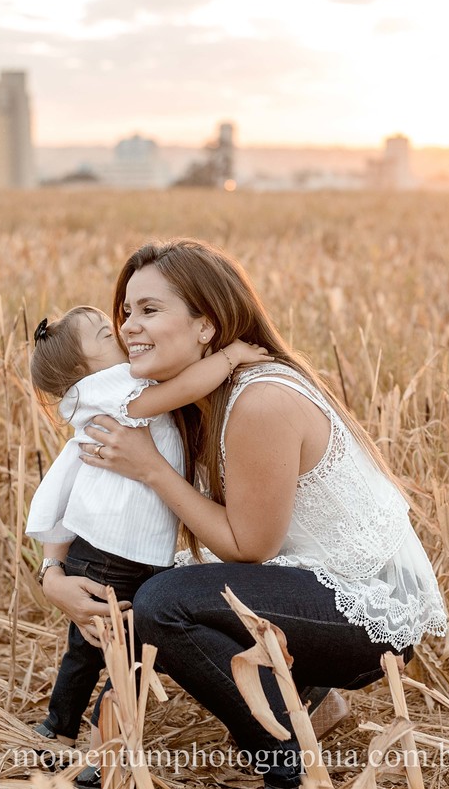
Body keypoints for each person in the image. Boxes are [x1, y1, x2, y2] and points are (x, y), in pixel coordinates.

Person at [41, 240, 448, 789]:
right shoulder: (185, 401)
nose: (129, 326)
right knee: (144, 597)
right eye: (126, 312)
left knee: (162, 603)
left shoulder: (259, 400)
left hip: (364, 612)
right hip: (300, 586)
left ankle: (287, 756)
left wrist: (153, 470)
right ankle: (114, 748)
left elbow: (248, 547)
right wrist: (55, 577)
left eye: (150, 310)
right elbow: (98, 517)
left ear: (206, 325)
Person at [24, 305, 271, 749]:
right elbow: (181, 389)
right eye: (104, 335)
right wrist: (229, 357)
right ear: (83, 371)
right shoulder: (110, 389)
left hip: (133, 551)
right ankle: (65, 728)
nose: (120, 333)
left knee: (122, 651)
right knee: (101, 650)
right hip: (108, 555)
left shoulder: (112, 387)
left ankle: (94, 735)